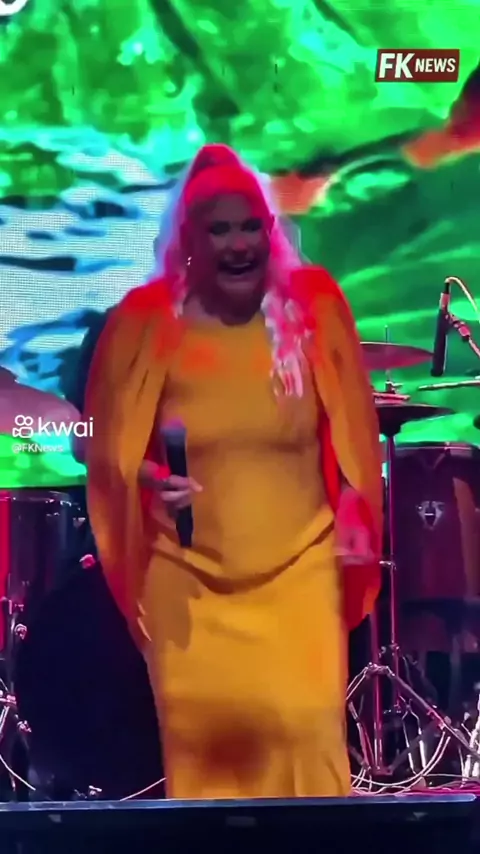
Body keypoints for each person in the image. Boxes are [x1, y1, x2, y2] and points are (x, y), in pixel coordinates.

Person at [84, 143, 383, 799]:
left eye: (251, 225)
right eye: (219, 230)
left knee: (307, 740)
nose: (239, 243)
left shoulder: (315, 307)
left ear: (270, 230)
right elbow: (100, 449)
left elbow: (356, 435)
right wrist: (151, 481)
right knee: (208, 770)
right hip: (187, 584)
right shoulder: (143, 322)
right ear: (190, 240)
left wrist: (356, 509)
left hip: (301, 573)